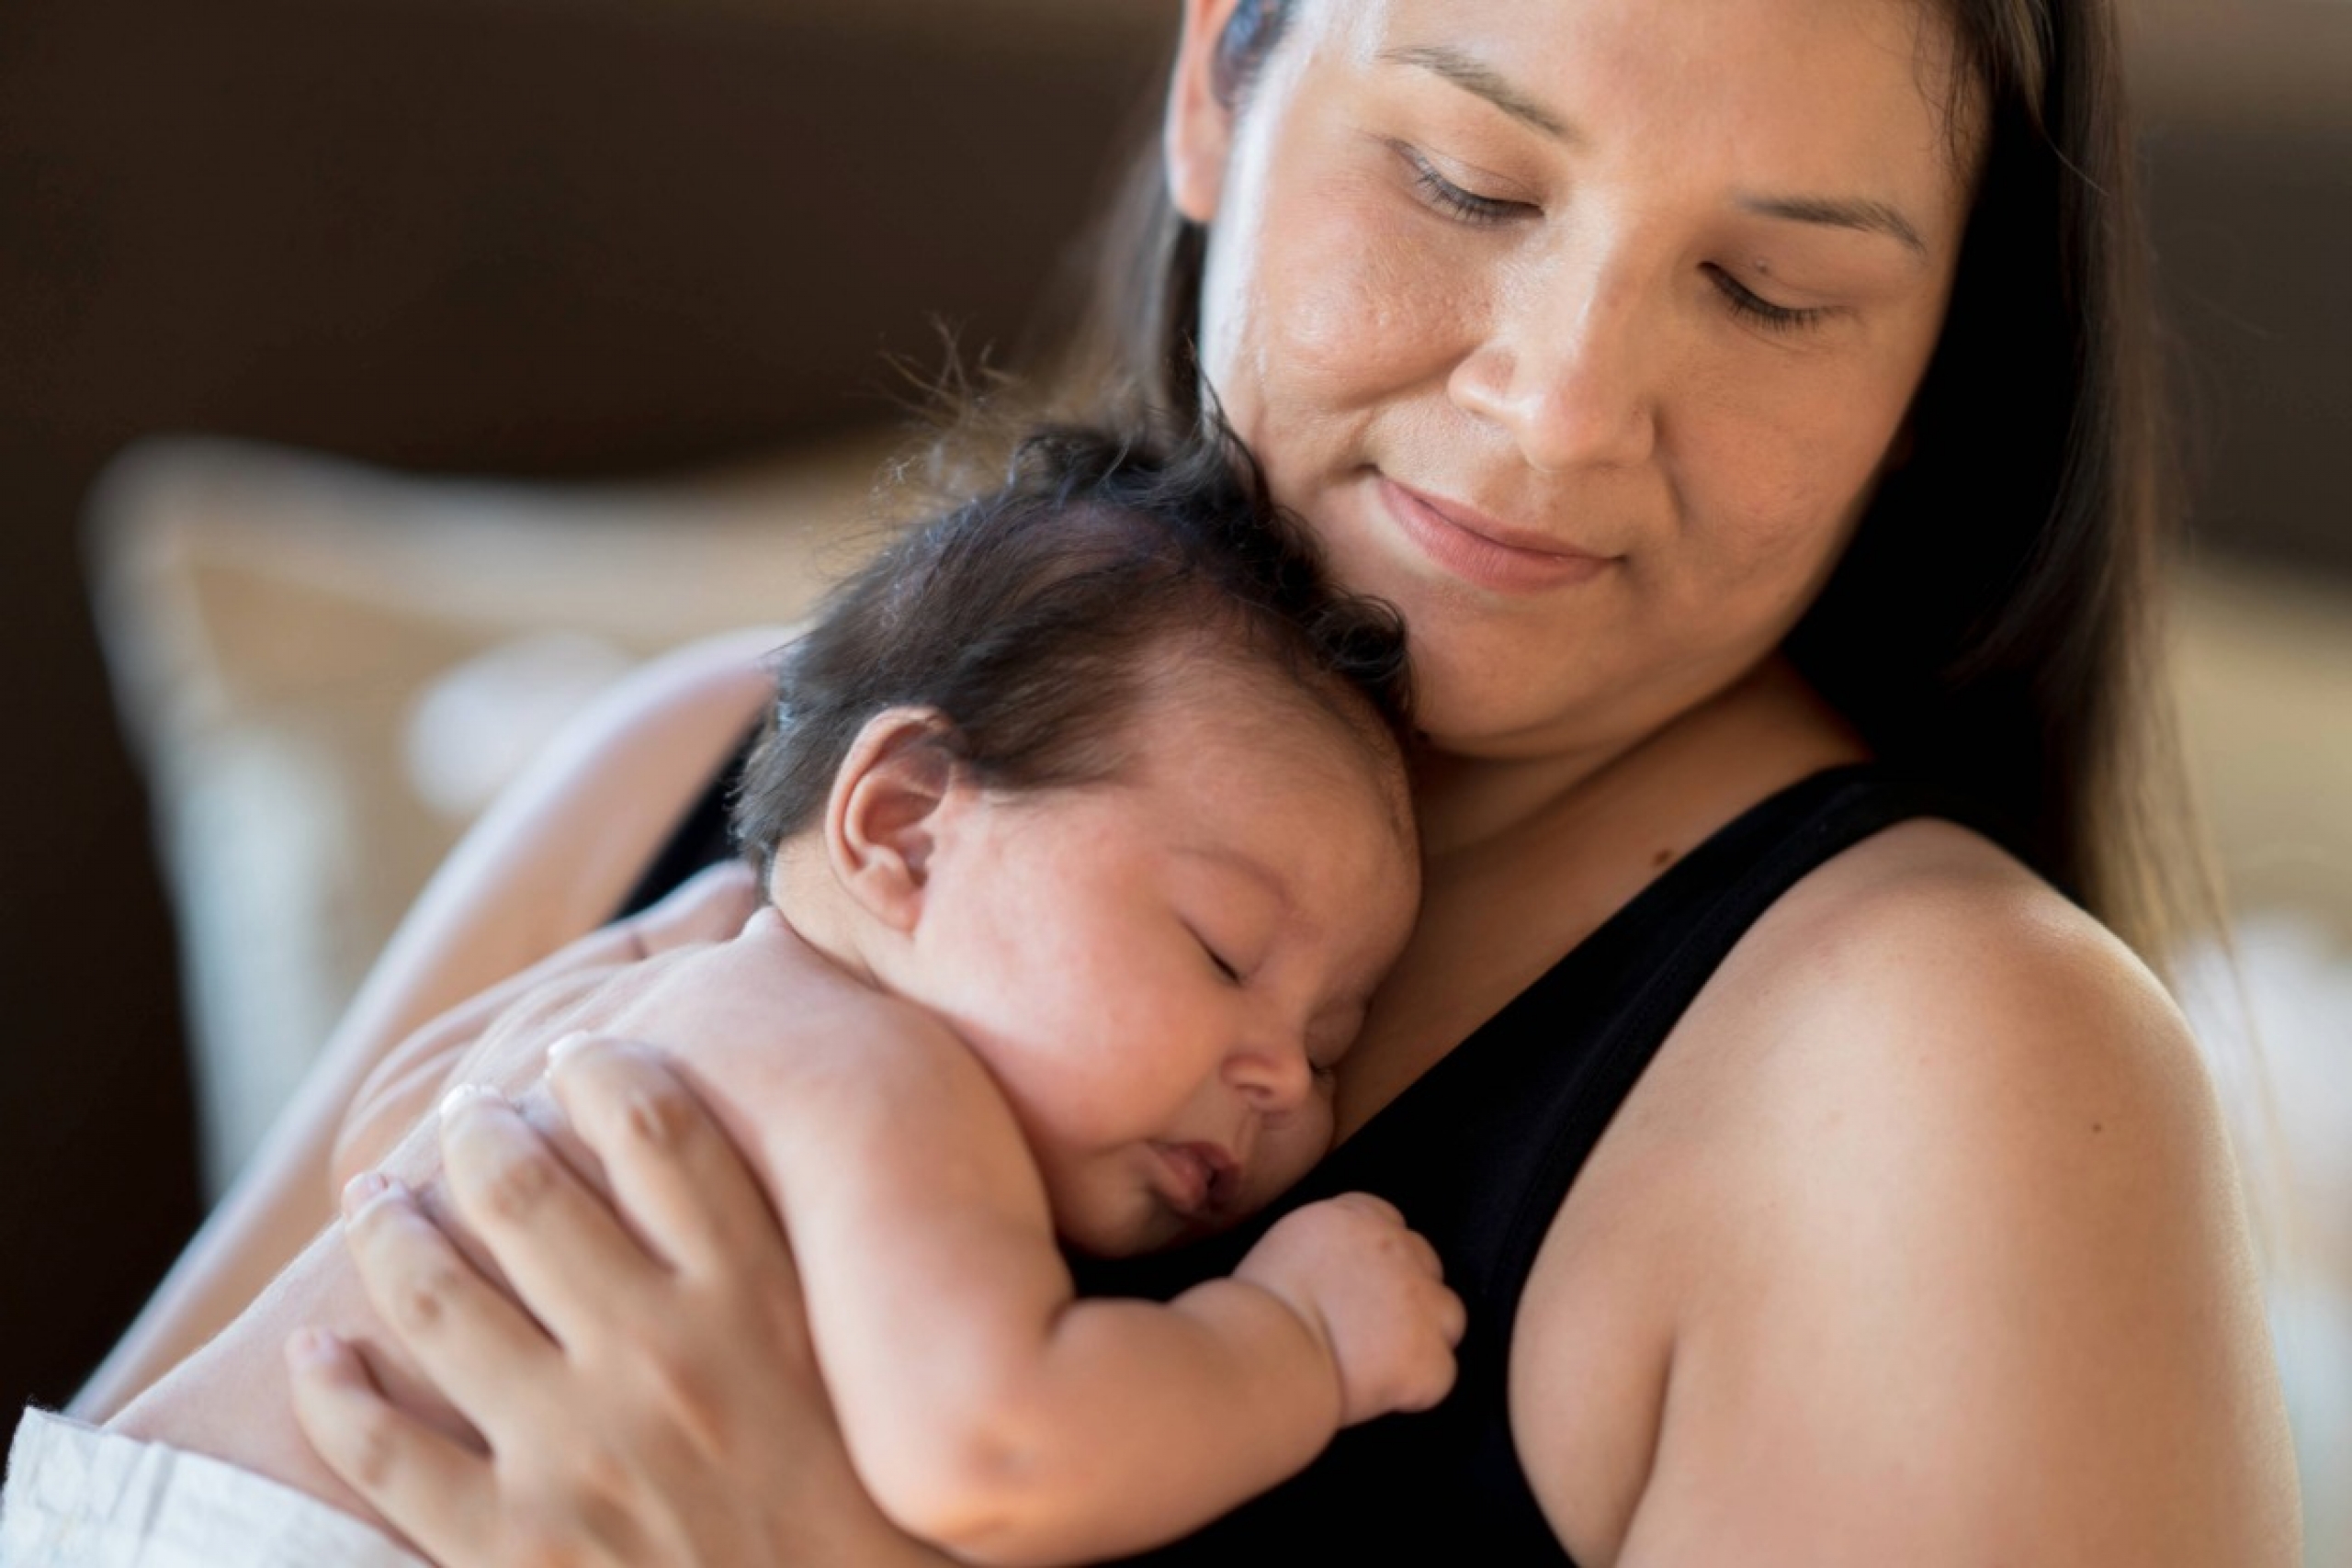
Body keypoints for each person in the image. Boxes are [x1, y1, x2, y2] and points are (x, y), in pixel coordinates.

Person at [60, 0, 2305, 1562]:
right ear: (1219, 74)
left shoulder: (1941, 1085)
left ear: (1934, 361)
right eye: (1458, 176)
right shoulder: (679, 772)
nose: (1554, 406)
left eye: (1766, 288)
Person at [5, 426, 1470, 1567]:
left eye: (1331, 1040)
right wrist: (1297, 1340)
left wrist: (631, 959)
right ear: (901, 828)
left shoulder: (650, 992)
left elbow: (375, 1149)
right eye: (1221, 952)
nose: (1285, 1076)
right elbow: (995, 1455)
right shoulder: (884, 1080)